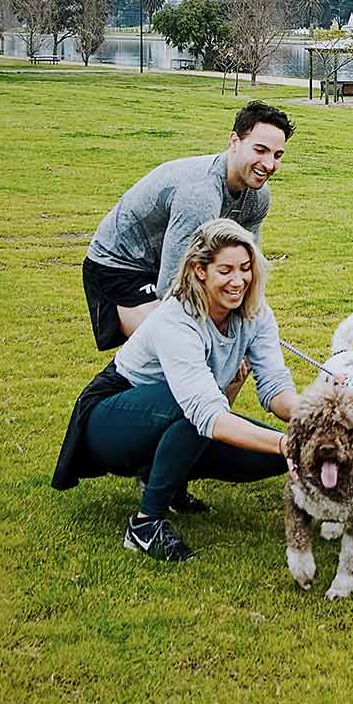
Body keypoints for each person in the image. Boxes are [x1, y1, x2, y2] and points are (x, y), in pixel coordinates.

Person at [52, 218, 298, 562]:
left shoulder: (256, 314)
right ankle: (145, 525)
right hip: (109, 419)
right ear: (199, 270)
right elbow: (206, 412)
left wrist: (313, 421)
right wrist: (286, 442)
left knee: (279, 457)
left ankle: (168, 482)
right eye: (225, 270)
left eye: (246, 268)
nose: (239, 280)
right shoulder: (176, 319)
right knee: (199, 413)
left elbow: (275, 387)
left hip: (179, 411)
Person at [83, 100, 292, 351]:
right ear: (234, 141)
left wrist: (252, 328)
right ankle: (105, 392)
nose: (269, 165)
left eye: (277, 155)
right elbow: (175, 286)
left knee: (234, 354)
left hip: (162, 262)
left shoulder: (258, 196)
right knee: (177, 348)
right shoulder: (200, 195)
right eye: (260, 150)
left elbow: (246, 267)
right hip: (119, 266)